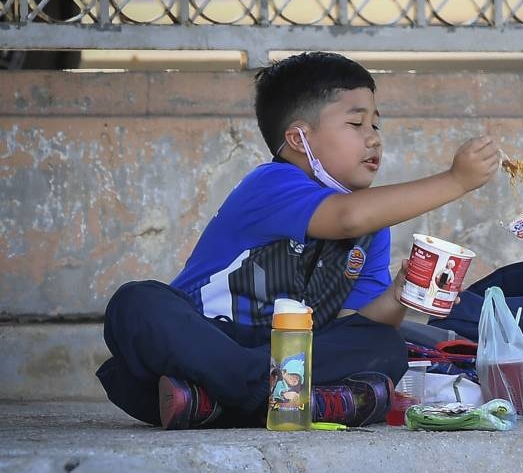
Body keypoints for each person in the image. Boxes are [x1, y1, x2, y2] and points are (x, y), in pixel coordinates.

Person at [97, 51, 499, 430]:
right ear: (297, 139)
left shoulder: (372, 226)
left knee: (385, 346)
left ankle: (219, 402)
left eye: (376, 125)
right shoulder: (271, 183)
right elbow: (345, 217)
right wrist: (455, 181)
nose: (374, 138)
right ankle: (280, 397)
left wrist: (398, 294)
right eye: (356, 124)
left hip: (292, 358)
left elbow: (354, 324)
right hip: (211, 343)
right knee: (136, 303)